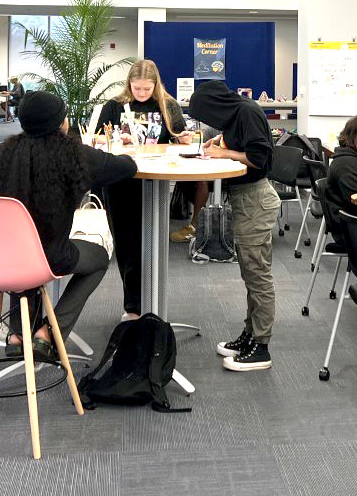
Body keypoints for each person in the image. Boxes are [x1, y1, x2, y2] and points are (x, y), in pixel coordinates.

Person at [0, 91, 137, 359]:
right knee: (99, 257)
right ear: (61, 122)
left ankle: (19, 334)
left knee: (22, 253)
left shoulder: (1, 154)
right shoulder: (76, 155)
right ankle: (49, 333)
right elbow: (126, 167)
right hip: (49, 258)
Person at [189, 80, 280, 372]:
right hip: (245, 199)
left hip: (255, 200)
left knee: (258, 275)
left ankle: (261, 347)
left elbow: (259, 157)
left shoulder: (247, 112)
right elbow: (244, 143)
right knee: (249, 272)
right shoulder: (236, 115)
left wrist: (224, 153)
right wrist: (221, 143)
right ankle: (250, 334)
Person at [95, 59, 193, 320]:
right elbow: (97, 140)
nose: (141, 94)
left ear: (155, 85)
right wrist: (117, 138)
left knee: (152, 245)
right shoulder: (114, 106)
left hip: (154, 182)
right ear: (129, 84)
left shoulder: (167, 105)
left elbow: (181, 139)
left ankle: (153, 303)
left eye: (146, 89)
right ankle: (133, 307)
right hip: (120, 183)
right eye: (136, 88)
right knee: (127, 247)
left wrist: (183, 138)